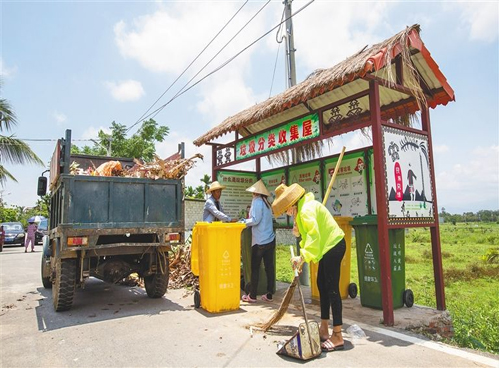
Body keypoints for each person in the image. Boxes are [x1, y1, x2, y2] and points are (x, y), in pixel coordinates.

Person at [272, 183, 346, 352]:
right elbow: (308, 240)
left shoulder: (305, 210)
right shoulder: (303, 209)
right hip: (327, 248)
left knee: (332, 288)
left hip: (334, 246)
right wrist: (302, 258)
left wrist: (302, 256)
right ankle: (324, 327)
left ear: (291, 205)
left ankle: (338, 335)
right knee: (322, 285)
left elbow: (314, 237)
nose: (287, 213)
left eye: (286, 210)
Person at [241, 180, 276, 303]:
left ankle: (252, 295)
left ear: (256, 192)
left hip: (259, 241)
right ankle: (269, 294)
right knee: (269, 267)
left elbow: (255, 220)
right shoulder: (266, 203)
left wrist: (243, 222)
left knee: (255, 268)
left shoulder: (257, 201)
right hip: (270, 240)